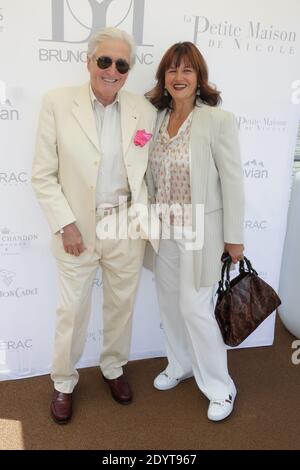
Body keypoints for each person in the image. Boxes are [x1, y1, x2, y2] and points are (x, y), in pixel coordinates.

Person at [32, 27, 157, 424]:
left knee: (122, 305)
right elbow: (43, 175)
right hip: (78, 230)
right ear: (88, 62)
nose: (112, 70)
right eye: (104, 60)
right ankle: (64, 381)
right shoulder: (56, 103)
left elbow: (147, 173)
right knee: (72, 311)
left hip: (125, 225)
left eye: (121, 64)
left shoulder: (144, 110)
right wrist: (65, 224)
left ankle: (114, 368)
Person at [145, 41, 245, 421]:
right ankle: (180, 363)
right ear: (164, 78)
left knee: (195, 308)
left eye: (187, 70)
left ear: (199, 77)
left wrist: (234, 236)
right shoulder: (155, 118)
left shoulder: (218, 121)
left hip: (202, 231)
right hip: (164, 228)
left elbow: (233, 182)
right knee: (170, 303)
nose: (179, 77)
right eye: (172, 70)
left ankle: (221, 387)